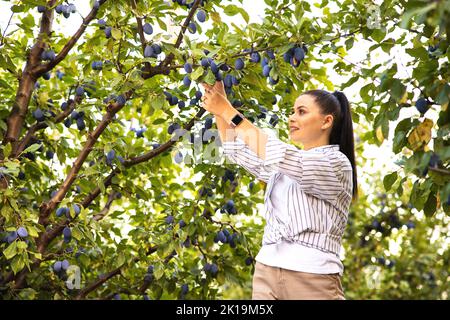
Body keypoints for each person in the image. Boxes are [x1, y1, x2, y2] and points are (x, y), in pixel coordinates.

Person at [200, 80, 358, 300]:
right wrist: (219, 101)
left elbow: (280, 154)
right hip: (267, 271)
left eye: (301, 112)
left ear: (326, 121)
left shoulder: (335, 163)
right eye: (292, 111)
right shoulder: (284, 168)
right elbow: (234, 149)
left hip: (312, 276)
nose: (292, 117)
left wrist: (228, 110)